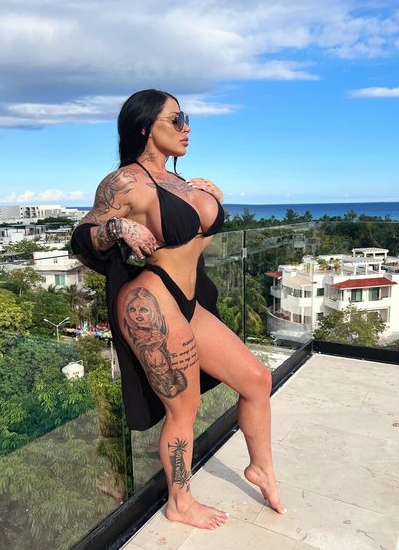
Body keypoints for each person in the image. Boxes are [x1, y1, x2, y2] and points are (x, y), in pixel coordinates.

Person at [71, 89, 285, 530]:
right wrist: (118, 226)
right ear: (145, 127)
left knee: (256, 379)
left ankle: (260, 468)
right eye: (176, 119)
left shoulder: (179, 182)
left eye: (186, 118)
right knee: (183, 408)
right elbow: (82, 238)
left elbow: (194, 243)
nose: (187, 127)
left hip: (188, 299)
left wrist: (214, 199)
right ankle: (179, 501)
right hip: (151, 300)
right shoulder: (124, 183)